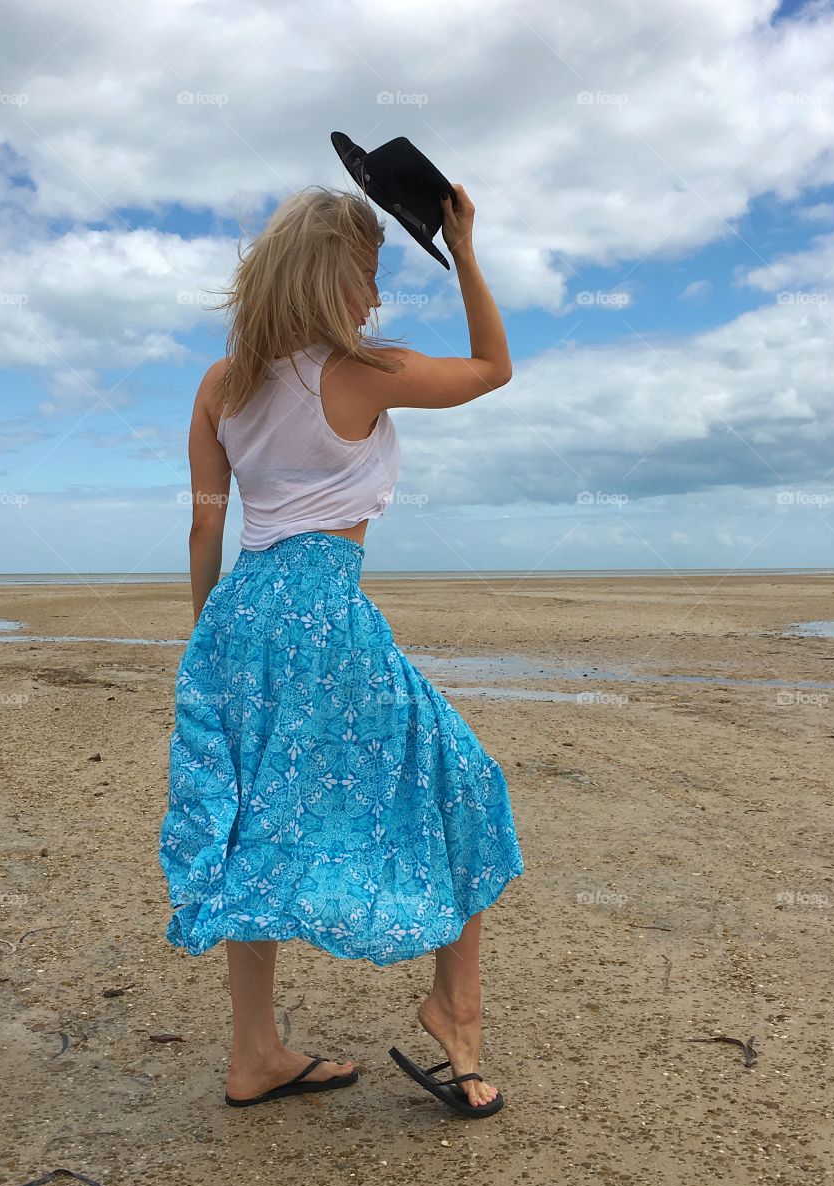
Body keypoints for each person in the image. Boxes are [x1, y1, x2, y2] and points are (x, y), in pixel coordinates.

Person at [158, 182, 524, 1117]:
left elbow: (207, 531)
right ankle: (456, 1011)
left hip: (239, 614)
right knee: (465, 779)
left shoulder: (220, 382)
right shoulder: (363, 369)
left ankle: (256, 1054)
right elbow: (492, 368)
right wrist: (466, 250)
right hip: (323, 610)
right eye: (368, 277)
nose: (373, 298)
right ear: (331, 280)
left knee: (253, 817)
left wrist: (212, 649)